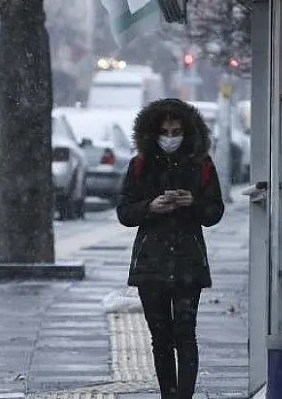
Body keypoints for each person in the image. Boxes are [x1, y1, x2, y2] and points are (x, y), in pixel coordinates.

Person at [116, 98, 225, 398]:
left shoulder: (201, 164)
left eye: (177, 131)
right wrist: (150, 206)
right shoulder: (140, 165)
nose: (170, 137)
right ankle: (169, 394)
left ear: (187, 132)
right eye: (165, 131)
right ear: (153, 133)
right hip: (151, 263)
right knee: (160, 338)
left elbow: (214, 211)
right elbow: (124, 212)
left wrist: (193, 204)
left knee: (185, 334)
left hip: (188, 261)